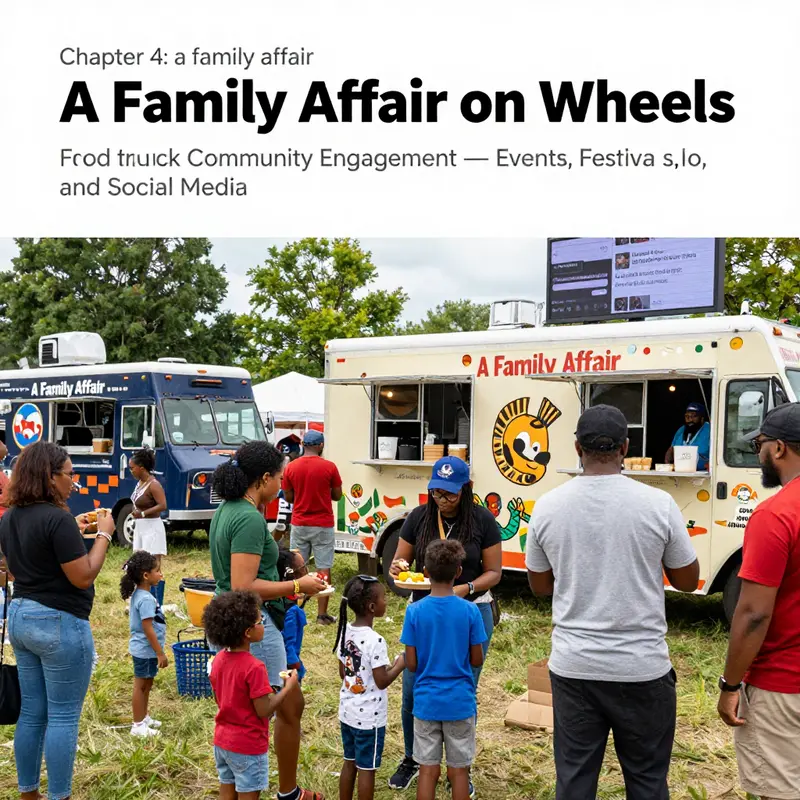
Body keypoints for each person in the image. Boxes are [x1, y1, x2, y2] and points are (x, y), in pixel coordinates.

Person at [525, 405, 700, 800]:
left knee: (574, 780)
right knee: (648, 781)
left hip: (574, 668)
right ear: (625, 447)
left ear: (576, 448)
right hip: (642, 668)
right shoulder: (659, 505)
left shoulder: (548, 507)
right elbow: (688, 581)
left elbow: (540, 586)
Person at [209, 440, 328, 800]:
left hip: (232, 616)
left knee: (286, 704)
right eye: (279, 477)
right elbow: (244, 584)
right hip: (251, 624)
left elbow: (244, 566)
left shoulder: (230, 510)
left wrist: (283, 556)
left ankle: (277, 788)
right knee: (273, 708)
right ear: (263, 479)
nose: (281, 485)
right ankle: (274, 789)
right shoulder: (247, 517)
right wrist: (298, 584)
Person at [0, 441, 114, 800]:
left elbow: (14, 566)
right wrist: (105, 534)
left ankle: (28, 793)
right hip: (60, 623)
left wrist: (74, 529)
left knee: (32, 713)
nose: (74, 480)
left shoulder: (11, 516)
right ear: (49, 477)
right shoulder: (57, 517)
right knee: (63, 717)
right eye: (69, 473)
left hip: (21, 617)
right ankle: (60, 795)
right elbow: (83, 576)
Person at [388, 456, 501, 792]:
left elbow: (494, 572)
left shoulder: (482, 520)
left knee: (464, 690)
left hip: (471, 610)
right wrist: (398, 566)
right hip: (425, 609)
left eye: (450, 494)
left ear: (466, 490)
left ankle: (458, 768)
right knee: (413, 691)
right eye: (436, 492)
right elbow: (401, 558)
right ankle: (414, 758)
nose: (442, 499)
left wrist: (464, 588)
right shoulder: (419, 517)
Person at [717, 403, 800, 800]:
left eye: (761, 445)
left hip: (783, 685)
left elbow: (752, 614)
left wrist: (729, 684)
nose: (759, 454)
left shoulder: (776, 515)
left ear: (780, 449)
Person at [400, 540, 486, 800]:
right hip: (460, 703)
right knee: (458, 772)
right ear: (459, 572)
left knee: (427, 770)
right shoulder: (471, 611)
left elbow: (411, 664)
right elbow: (476, 659)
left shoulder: (414, 612)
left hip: (426, 703)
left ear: (425, 571)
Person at [204, 590, 301, 800]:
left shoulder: (219, 659)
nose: (264, 624)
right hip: (247, 745)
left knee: (227, 788)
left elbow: (219, 698)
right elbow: (264, 710)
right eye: (260, 620)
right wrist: (287, 688)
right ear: (248, 632)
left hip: (222, 741)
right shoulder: (255, 667)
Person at [333, 574, 405, 800]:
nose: (387, 601)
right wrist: (400, 664)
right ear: (372, 607)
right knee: (367, 769)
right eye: (384, 598)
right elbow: (382, 680)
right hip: (369, 721)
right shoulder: (376, 640)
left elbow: (343, 672)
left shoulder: (345, 631)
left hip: (347, 713)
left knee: (349, 763)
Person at [283, 430, 343, 626]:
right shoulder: (329, 467)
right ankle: (322, 615)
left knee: (295, 567)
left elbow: (289, 497)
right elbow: (337, 495)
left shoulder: (291, 467)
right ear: (320, 446)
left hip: (299, 522)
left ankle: (293, 611)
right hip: (323, 524)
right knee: (323, 566)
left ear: (303, 445)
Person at [120, 550, 169, 737]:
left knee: (147, 684)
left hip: (145, 650)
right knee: (141, 686)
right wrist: (160, 652)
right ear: (146, 575)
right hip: (146, 650)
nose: (161, 574)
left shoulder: (140, 595)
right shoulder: (146, 599)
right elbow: (148, 627)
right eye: (157, 571)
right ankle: (138, 725)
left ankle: (144, 717)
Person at [130, 448, 168, 605]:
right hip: (141, 528)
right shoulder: (140, 483)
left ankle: (157, 602)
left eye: (132, 468)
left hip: (152, 528)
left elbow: (163, 505)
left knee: (154, 567)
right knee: (142, 566)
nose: (130, 471)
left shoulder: (154, 485)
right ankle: (145, 600)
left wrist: (144, 514)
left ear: (142, 468)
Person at [279, 548, 309, 681]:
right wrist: (295, 664)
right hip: (290, 664)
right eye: (302, 568)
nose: (306, 572)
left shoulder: (286, 599)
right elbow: (287, 642)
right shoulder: (290, 611)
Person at [665, 402, 711, 471]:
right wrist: (667, 466)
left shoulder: (710, 430)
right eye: (687, 416)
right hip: (681, 473)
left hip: (703, 474)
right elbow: (671, 450)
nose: (689, 419)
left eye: (693, 416)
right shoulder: (681, 430)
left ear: (702, 418)